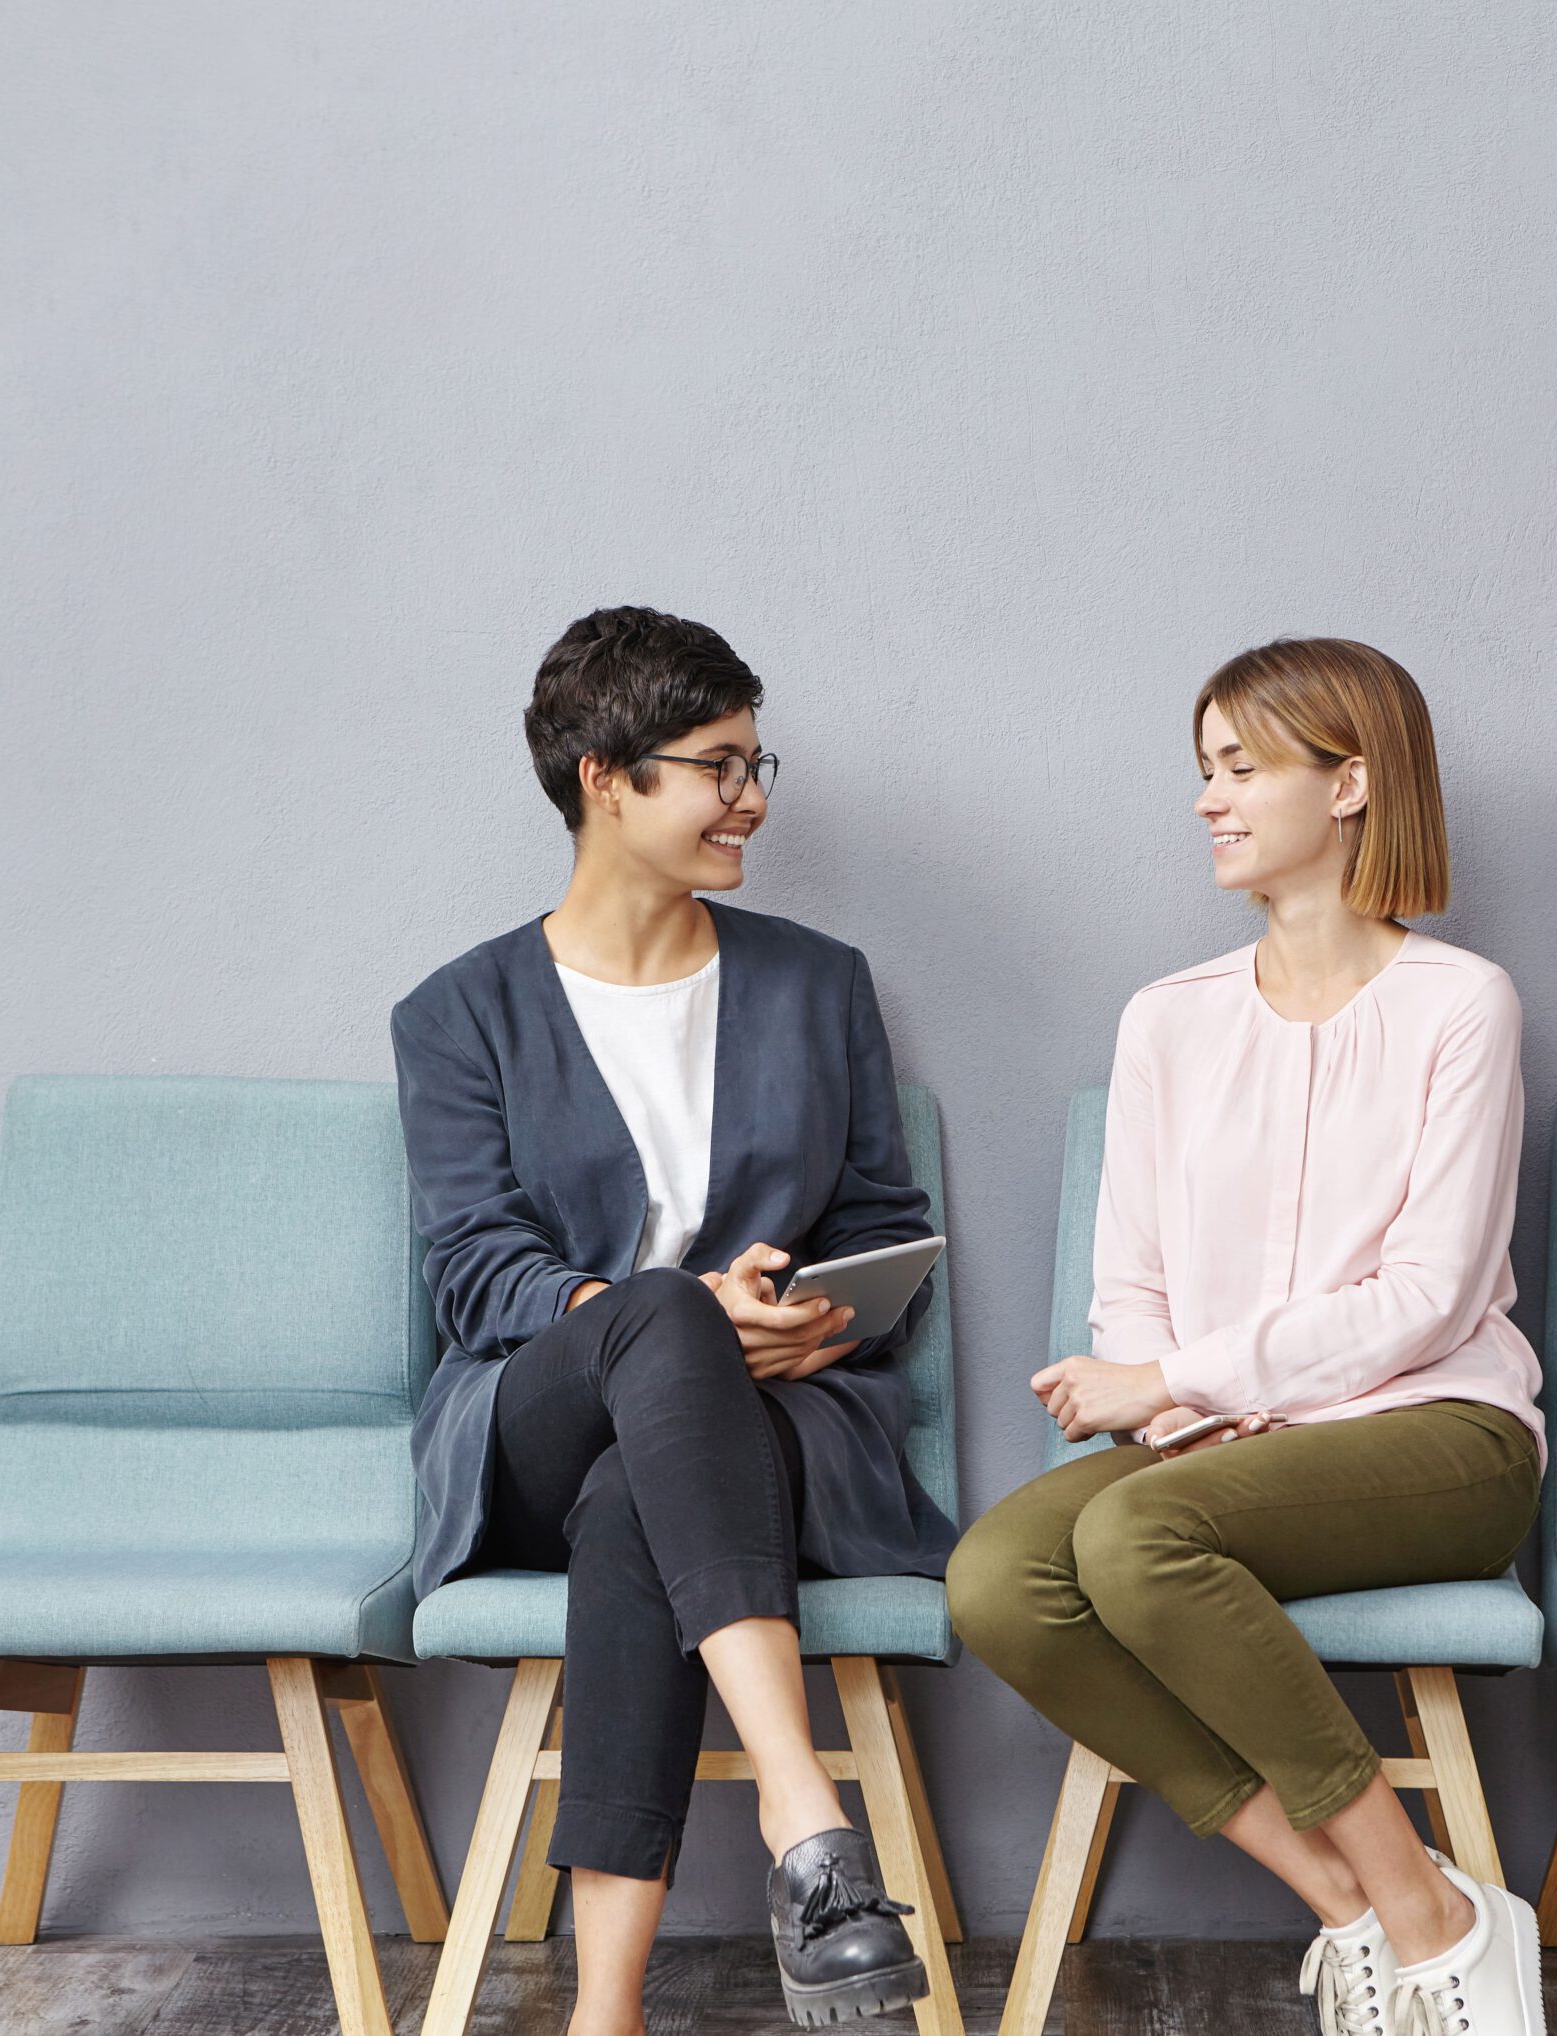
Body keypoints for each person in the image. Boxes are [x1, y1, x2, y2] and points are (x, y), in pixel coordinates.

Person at [948, 637, 1548, 2036]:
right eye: (1202, 771)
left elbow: (1429, 1298)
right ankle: (1342, 1901)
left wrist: (1177, 1381)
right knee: (996, 1578)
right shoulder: (1168, 1020)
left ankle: (1437, 1920)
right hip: (1223, 1443)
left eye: (1244, 769)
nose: (1210, 800)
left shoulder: (1462, 1004)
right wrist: (1182, 1397)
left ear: (1351, 784)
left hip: (1440, 1437)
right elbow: (1132, 1289)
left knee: (1136, 1539)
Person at [391, 607, 955, 2035]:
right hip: (538, 1409)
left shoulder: (819, 983)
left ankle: (608, 2015)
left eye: (758, 762)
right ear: (604, 774)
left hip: (765, 1426)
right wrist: (662, 1315)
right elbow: (472, 1269)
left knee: (634, 1505)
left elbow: (885, 1222)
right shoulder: (459, 1013)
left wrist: (807, 1314)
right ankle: (806, 1813)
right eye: (718, 765)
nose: (751, 798)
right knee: (652, 1320)